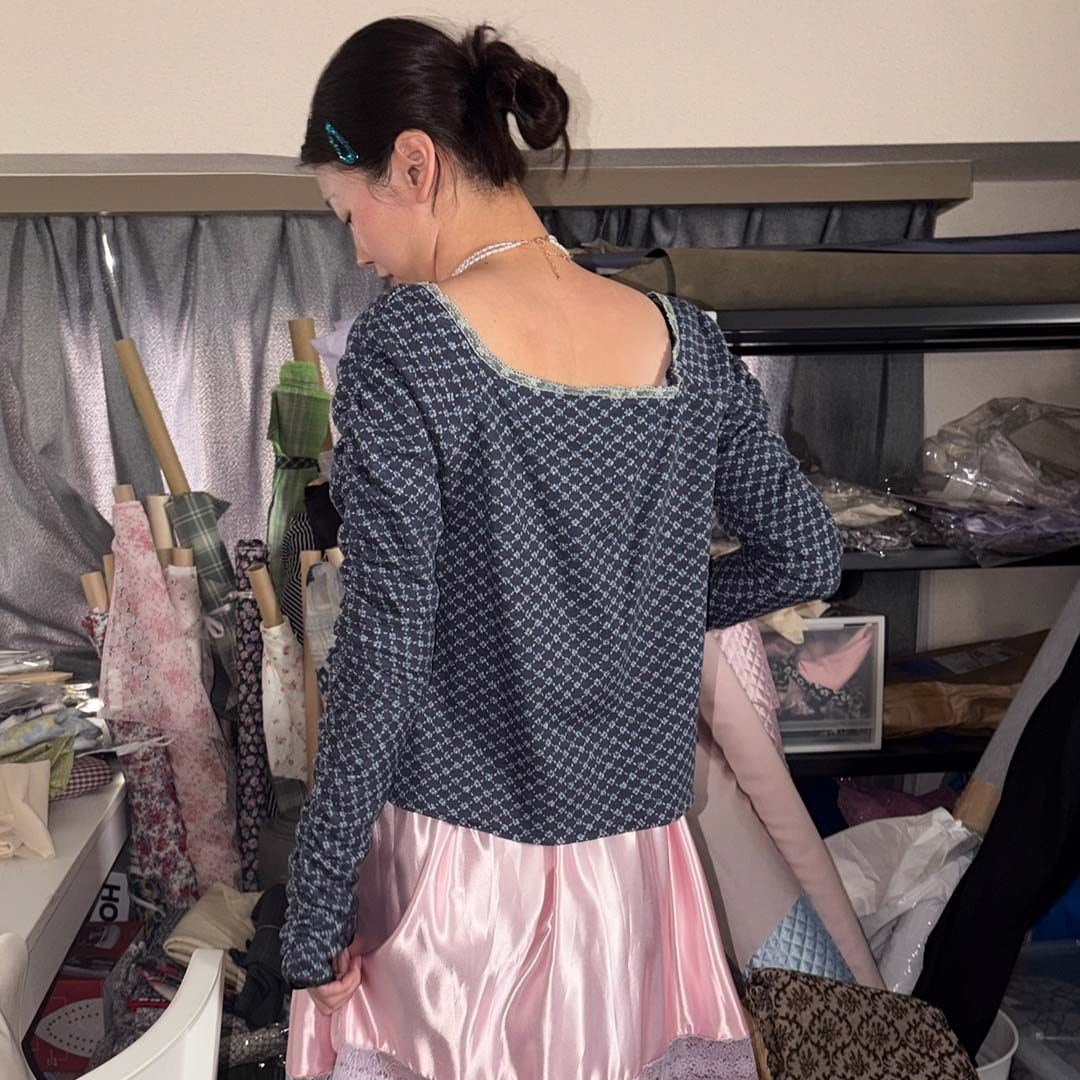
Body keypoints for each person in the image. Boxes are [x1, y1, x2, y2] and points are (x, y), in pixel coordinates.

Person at [281, 17, 842, 1080]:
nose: (356, 248)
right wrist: (647, 614)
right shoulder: (689, 342)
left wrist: (314, 913)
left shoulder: (411, 345)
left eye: (348, 212)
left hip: (457, 874)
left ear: (415, 164)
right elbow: (806, 557)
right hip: (634, 874)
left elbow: (385, 649)